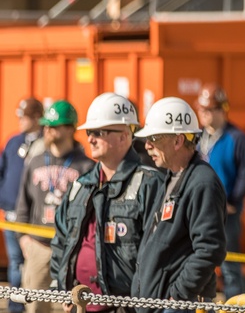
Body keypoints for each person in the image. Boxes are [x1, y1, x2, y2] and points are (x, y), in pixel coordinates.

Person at [50, 94, 164, 312]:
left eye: (98, 133)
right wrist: (62, 285)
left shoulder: (149, 184)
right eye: (88, 133)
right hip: (80, 306)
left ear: (123, 136)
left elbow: (160, 252)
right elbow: (61, 240)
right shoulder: (81, 186)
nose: (90, 139)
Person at [131, 97, 227, 311]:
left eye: (154, 138)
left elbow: (210, 249)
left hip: (179, 305)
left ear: (178, 141)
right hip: (158, 302)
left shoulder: (202, 183)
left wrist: (179, 296)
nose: (147, 146)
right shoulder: (172, 177)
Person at [15, 101, 94, 313]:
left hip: (72, 249)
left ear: (70, 129)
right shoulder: (35, 162)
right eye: (47, 126)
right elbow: (23, 203)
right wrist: (24, 238)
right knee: (35, 307)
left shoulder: (86, 166)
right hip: (39, 247)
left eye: (54, 126)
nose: (48, 130)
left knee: (72, 307)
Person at [195, 85, 245, 300]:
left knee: (230, 262)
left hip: (227, 213)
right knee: (201, 259)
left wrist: (233, 200)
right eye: (201, 110)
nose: (204, 115)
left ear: (222, 110)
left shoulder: (235, 138)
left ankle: (236, 302)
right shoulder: (197, 138)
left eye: (209, 110)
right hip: (201, 212)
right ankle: (205, 301)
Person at [0, 98, 44, 313]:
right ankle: (15, 307)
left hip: (37, 221)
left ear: (37, 117)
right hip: (11, 216)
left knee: (36, 268)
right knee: (15, 264)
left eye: (24, 116)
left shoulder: (46, 143)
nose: (20, 121)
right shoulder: (13, 142)